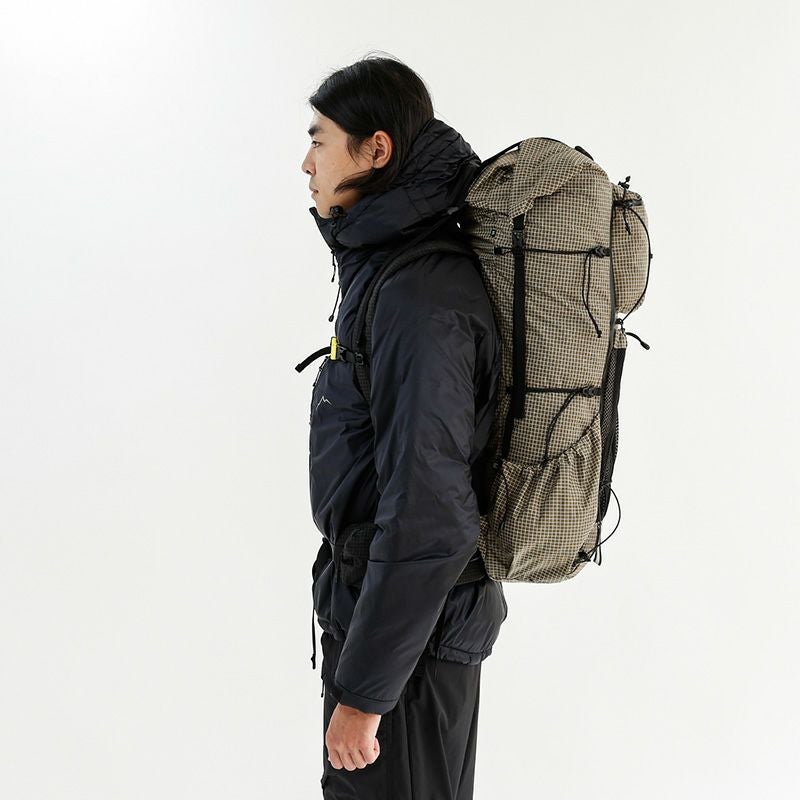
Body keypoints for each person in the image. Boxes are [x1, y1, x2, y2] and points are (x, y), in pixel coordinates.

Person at [301, 52, 508, 799]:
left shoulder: (419, 295)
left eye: (320, 141)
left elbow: (430, 511)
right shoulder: (390, 272)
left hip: (410, 651)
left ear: (376, 149)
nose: (306, 163)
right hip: (387, 629)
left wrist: (366, 695)